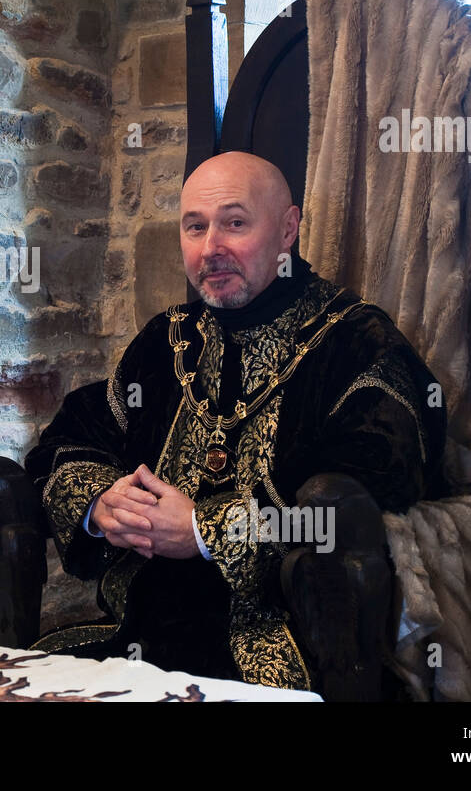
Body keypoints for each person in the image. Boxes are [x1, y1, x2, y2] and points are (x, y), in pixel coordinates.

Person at [25, 150, 448, 690]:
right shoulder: (165, 340)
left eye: (235, 224)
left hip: (289, 648)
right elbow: (73, 437)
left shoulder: (355, 342)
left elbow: (368, 492)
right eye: (195, 227)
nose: (211, 249)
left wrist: (205, 531)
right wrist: (101, 503)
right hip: (135, 631)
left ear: (288, 229)